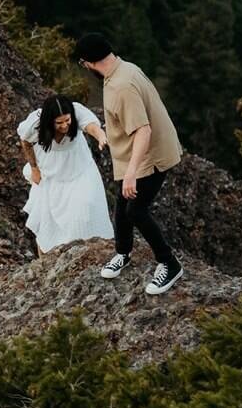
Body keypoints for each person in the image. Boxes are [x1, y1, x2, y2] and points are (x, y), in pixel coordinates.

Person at [76, 33, 185, 295]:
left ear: (88, 63)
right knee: (122, 206)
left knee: (136, 210)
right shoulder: (123, 68)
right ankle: (123, 253)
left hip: (151, 156)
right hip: (133, 154)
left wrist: (131, 174)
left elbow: (143, 131)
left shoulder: (120, 87)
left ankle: (169, 264)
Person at [14, 93, 114, 252]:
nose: (65, 126)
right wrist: (34, 168)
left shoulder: (77, 111)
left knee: (84, 208)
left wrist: (101, 136)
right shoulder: (35, 123)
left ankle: (89, 251)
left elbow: (91, 126)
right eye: (59, 123)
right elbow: (25, 141)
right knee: (46, 217)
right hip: (50, 174)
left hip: (80, 170)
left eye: (67, 120)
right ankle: (46, 262)